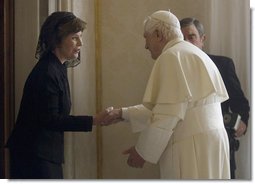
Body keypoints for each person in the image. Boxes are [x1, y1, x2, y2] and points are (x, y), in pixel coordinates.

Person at [104, 10, 230, 179]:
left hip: (191, 147)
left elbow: (167, 115)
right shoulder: (192, 52)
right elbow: (167, 107)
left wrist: (142, 152)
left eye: (146, 37)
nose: (146, 46)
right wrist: (121, 113)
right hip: (211, 142)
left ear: (158, 34)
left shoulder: (172, 56)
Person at [5, 11, 113, 179]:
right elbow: (51, 119)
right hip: (34, 156)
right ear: (57, 39)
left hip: (43, 154)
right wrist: (94, 120)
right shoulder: (48, 72)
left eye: (81, 37)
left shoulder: (57, 67)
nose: (81, 43)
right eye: (74, 38)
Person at [179, 17, 250, 179]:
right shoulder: (172, 69)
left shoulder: (223, 65)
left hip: (220, 144)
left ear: (202, 39)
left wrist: (242, 122)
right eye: (182, 39)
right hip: (186, 147)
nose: (187, 42)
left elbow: (239, 101)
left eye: (191, 37)